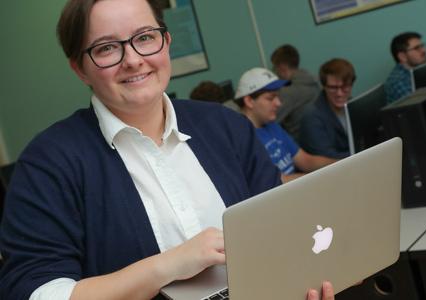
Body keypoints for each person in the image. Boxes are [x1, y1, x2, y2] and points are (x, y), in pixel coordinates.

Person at [0, 0, 335, 299]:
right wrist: (167, 267)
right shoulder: (48, 163)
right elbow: (37, 291)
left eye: (145, 37)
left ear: (166, 42)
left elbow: (278, 230)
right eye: (106, 48)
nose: (133, 60)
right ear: (79, 68)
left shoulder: (226, 126)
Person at [235, 67, 337, 183]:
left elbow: (305, 160)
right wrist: (320, 178)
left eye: (277, 96)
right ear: (249, 101)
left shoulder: (271, 124)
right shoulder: (242, 140)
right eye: (270, 98)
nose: (279, 103)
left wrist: (342, 164)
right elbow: (277, 181)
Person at [299, 58, 355, 159]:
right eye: (333, 88)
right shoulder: (311, 117)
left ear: (351, 85)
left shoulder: (353, 104)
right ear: (324, 86)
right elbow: (327, 158)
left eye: (345, 87)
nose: (339, 93)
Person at [271, 44, 320, 141]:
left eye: (275, 67)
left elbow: (270, 120)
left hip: (299, 142)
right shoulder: (314, 80)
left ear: (282, 67)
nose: (275, 72)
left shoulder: (289, 92)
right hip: (317, 136)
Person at [384, 31, 426, 104]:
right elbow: (418, 107)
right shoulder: (398, 82)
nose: (424, 51)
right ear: (402, 56)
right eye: (417, 48)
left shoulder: (420, 70)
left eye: (422, 46)